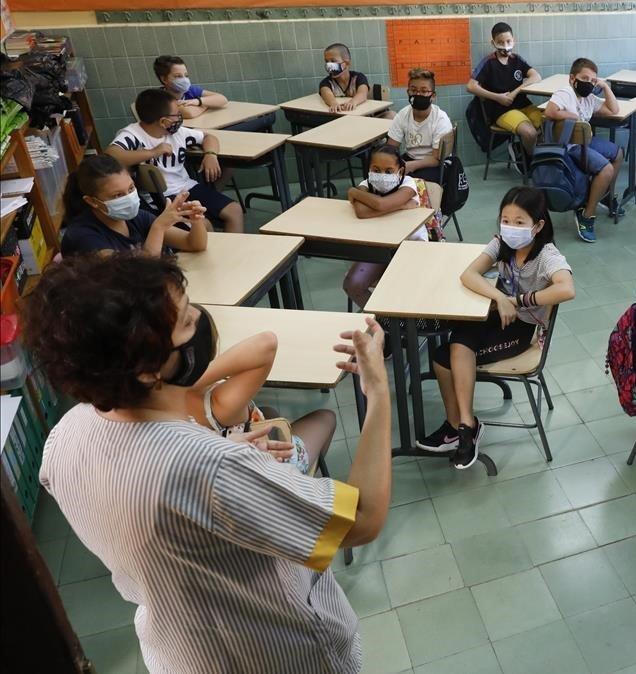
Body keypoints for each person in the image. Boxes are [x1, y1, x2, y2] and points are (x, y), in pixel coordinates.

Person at [25, 253, 393, 672]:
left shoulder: (63, 439)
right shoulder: (211, 467)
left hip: (181, 652)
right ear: (147, 371)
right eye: (185, 320)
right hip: (277, 656)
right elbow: (362, 519)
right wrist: (377, 392)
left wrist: (233, 462)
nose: (200, 318)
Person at [417, 186, 575, 469]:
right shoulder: (502, 243)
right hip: (498, 316)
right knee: (447, 352)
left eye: (519, 222)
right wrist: (500, 298)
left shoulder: (547, 256)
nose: (510, 227)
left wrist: (518, 300)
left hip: (522, 331)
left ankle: (465, 429)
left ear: (537, 226)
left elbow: (567, 289)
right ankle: (462, 426)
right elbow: (468, 274)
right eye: (505, 219)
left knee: (451, 352)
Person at [184, 327, 337, 477]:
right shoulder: (218, 402)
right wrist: (188, 383)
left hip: (220, 466)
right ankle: (302, 482)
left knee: (269, 412)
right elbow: (267, 343)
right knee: (327, 417)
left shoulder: (164, 404)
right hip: (265, 470)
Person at [107, 88, 245, 234]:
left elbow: (208, 137)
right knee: (203, 225)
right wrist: (153, 152)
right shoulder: (132, 134)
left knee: (234, 210)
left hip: (187, 187)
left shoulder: (178, 132)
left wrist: (210, 154)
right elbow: (111, 154)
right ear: (163, 121)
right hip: (163, 197)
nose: (180, 117)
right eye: (177, 114)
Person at [60, 153, 207, 257]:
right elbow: (139, 275)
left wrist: (196, 218)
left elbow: (194, 244)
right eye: (118, 195)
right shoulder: (82, 237)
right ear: (92, 201)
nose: (129, 198)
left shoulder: (136, 217)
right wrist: (159, 227)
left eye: (131, 188)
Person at [343, 145, 430, 311]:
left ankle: (400, 323)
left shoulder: (408, 184)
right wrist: (400, 205)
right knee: (352, 284)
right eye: (376, 170)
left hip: (411, 247)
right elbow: (361, 212)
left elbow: (381, 205)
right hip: (379, 247)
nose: (382, 175)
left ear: (401, 170)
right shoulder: (366, 184)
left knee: (402, 290)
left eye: (389, 171)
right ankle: (387, 323)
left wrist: (354, 193)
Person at [544, 57, 623, 243]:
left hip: (584, 141)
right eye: (584, 78)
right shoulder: (566, 92)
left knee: (618, 153)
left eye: (592, 80)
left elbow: (614, 110)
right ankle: (587, 215)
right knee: (606, 169)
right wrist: (570, 115)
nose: (588, 83)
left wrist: (605, 87)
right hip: (569, 146)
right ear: (573, 78)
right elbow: (550, 111)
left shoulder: (589, 98)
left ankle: (606, 196)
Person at [467, 22, 543, 160]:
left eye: (508, 41)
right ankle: (531, 162)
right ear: (493, 42)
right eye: (500, 42)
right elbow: (471, 86)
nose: (505, 45)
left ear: (513, 40)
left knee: (548, 124)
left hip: (523, 105)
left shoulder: (517, 60)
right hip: (502, 110)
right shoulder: (489, 62)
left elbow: (536, 76)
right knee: (530, 133)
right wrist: (497, 97)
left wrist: (515, 92)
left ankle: (524, 151)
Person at [386, 67, 454, 183]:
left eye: (424, 91)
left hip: (433, 164)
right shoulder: (403, 114)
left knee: (412, 185)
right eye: (413, 90)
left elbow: (436, 158)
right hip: (410, 158)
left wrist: (411, 166)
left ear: (433, 95)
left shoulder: (440, 119)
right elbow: (391, 147)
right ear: (408, 92)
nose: (418, 94)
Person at [153, 55, 228, 120]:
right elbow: (189, 113)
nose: (184, 80)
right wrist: (208, 104)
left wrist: (197, 102)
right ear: (164, 79)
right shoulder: (161, 99)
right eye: (178, 76)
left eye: (186, 75)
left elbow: (222, 99)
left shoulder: (190, 90)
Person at [319, 42, 370, 113]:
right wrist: (333, 103)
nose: (329, 65)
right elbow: (326, 94)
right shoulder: (326, 82)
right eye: (326, 61)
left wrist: (353, 102)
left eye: (333, 61)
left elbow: (363, 93)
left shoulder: (358, 77)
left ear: (347, 63)